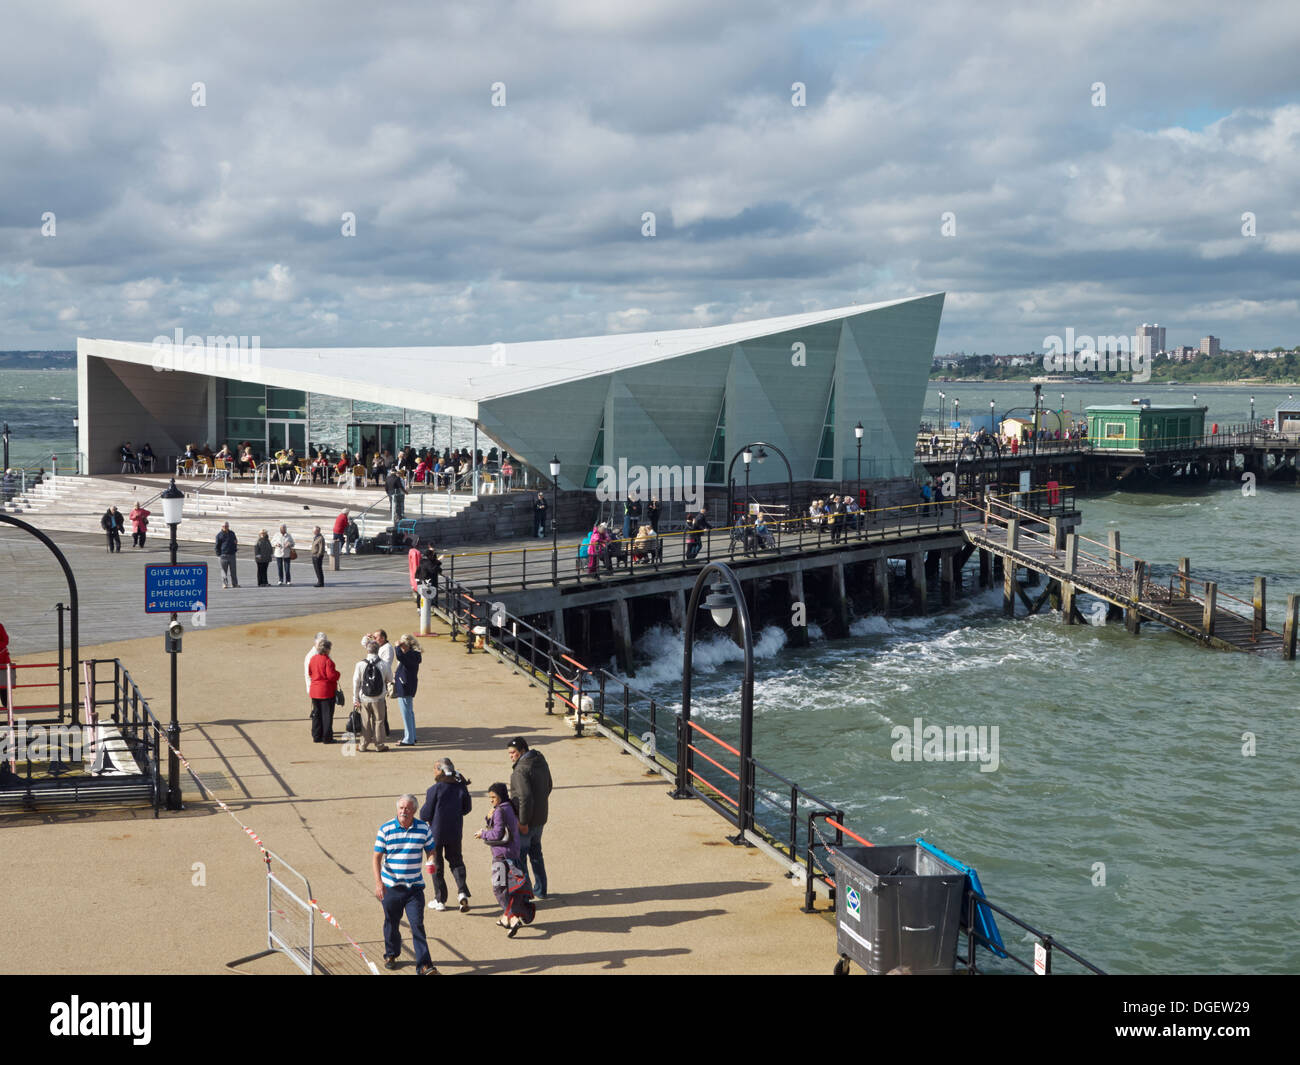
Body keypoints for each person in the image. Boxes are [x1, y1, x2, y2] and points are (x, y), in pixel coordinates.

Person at [372, 795, 438, 975]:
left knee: (417, 925)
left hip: (414, 888)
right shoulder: (386, 829)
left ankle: (424, 965)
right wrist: (379, 883)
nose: (403, 811)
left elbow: (431, 849)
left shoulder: (423, 828)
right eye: (401, 808)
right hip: (391, 887)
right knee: (392, 923)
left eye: (407, 808)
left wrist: (431, 861)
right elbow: (376, 857)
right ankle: (391, 953)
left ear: (414, 810)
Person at [420, 758, 473, 912]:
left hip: (435, 834)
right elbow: (466, 808)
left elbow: (425, 814)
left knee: (436, 864)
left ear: (440, 770)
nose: (433, 772)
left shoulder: (434, 789)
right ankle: (462, 891)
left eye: (435, 769)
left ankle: (440, 899)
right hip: (455, 832)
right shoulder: (461, 787)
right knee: (456, 861)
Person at [474, 782, 527, 935]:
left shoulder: (499, 811)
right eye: (490, 797)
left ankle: (513, 917)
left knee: (498, 888)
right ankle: (505, 918)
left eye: (493, 797)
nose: (491, 800)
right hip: (513, 852)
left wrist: (482, 833)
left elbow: (497, 833)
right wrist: (488, 816)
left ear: (500, 796)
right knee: (510, 887)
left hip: (501, 854)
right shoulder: (509, 807)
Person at [507, 736, 552, 900]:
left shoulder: (520, 770)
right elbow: (549, 785)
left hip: (526, 821)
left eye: (513, 753)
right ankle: (541, 889)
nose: (511, 756)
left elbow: (524, 797)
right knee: (536, 854)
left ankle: (525, 894)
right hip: (541, 817)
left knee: (521, 858)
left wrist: (523, 821)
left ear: (522, 751)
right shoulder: (540, 760)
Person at [352, 639, 391, 752]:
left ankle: (363, 744)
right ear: (378, 650)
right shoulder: (384, 664)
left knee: (365, 721)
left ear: (367, 650)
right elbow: (389, 679)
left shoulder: (359, 664)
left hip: (364, 697)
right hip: (379, 698)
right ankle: (379, 745)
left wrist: (355, 699)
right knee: (379, 721)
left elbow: (356, 682)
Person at [307, 637, 340, 743]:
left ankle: (316, 735)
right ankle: (327, 737)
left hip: (315, 690)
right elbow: (331, 676)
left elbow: (310, 673)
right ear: (327, 649)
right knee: (327, 716)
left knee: (316, 714)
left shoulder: (313, 659)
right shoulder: (328, 661)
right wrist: (337, 674)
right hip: (326, 691)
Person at [393, 635, 422, 746]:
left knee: (406, 714)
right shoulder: (414, 655)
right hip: (409, 686)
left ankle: (408, 739)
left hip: (404, 687)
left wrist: (396, 647)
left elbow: (399, 657)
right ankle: (412, 736)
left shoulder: (408, 656)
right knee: (409, 713)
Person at [215, 522, 239, 588]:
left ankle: (235, 584)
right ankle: (225, 584)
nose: (225, 527)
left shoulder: (232, 533)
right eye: (224, 526)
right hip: (223, 555)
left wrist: (235, 549)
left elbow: (235, 541)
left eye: (226, 526)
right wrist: (219, 554)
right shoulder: (219, 535)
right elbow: (217, 546)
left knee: (233, 571)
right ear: (221, 527)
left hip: (232, 555)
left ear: (228, 526)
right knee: (224, 571)